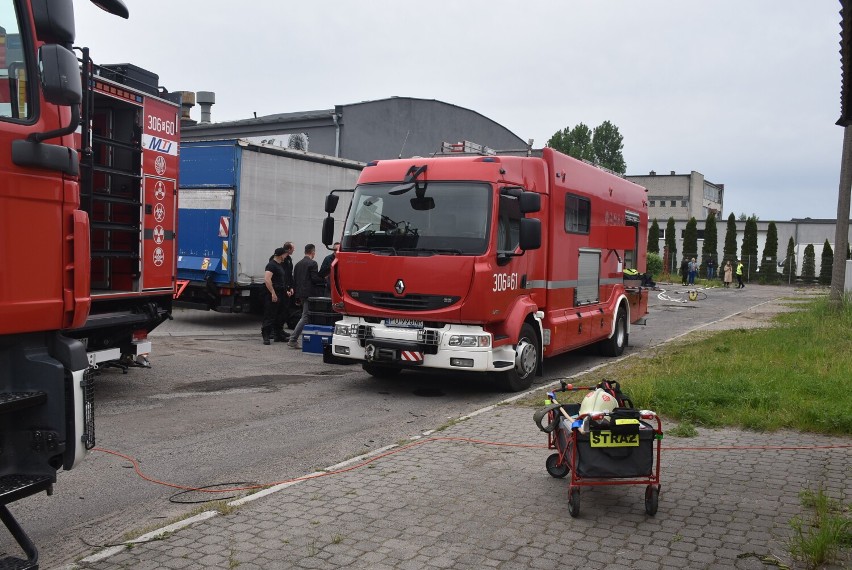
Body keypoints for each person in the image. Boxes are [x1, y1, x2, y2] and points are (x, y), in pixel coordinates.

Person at [288, 244, 327, 348]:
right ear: (313, 252)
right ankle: (293, 339)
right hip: (309, 294)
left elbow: (295, 280)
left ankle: (308, 338)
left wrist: (297, 296)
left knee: (306, 316)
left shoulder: (298, 264)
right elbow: (314, 279)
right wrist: (325, 279)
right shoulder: (313, 263)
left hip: (300, 294)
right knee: (305, 317)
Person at [261, 247, 288, 345]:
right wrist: (273, 293)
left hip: (281, 292)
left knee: (281, 314)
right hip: (273, 293)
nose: (286, 256)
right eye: (285, 254)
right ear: (281, 255)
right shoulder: (271, 265)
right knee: (270, 314)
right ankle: (266, 336)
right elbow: (267, 279)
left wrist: (286, 290)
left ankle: (278, 335)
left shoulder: (280, 265)